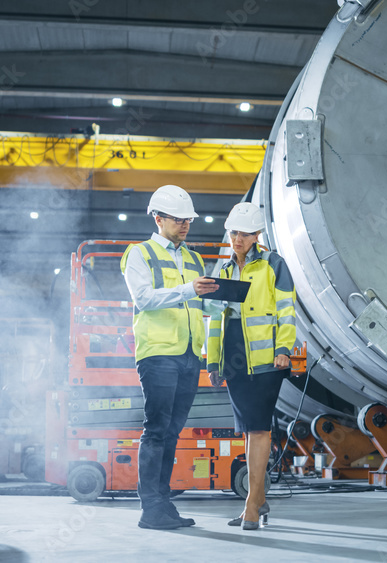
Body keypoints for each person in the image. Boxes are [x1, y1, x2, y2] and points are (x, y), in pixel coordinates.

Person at [120, 184, 218, 530]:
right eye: (178, 219)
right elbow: (144, 299)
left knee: (173, 432)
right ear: (157, 218)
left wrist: (222, 301)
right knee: (158, 430)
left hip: (190, 353)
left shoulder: (193, 258)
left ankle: (163, 504)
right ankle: (151, 509)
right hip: (158, 352)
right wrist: (190, 290)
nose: (185, 225)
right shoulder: (139, 254)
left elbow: (198, 303)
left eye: (188, 219)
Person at [207, 201, 297, 531]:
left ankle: (251, 506)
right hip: (233, 361)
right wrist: (213, 360)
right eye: (233, 233)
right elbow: (215, 320)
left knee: (259, 429)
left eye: (244, 234)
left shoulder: (274, 264)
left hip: (267, 362)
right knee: (248, 429)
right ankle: (258, 499)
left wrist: (284, 348)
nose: (237, 240)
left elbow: (287, 309)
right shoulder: (224, 270)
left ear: (257, 234)